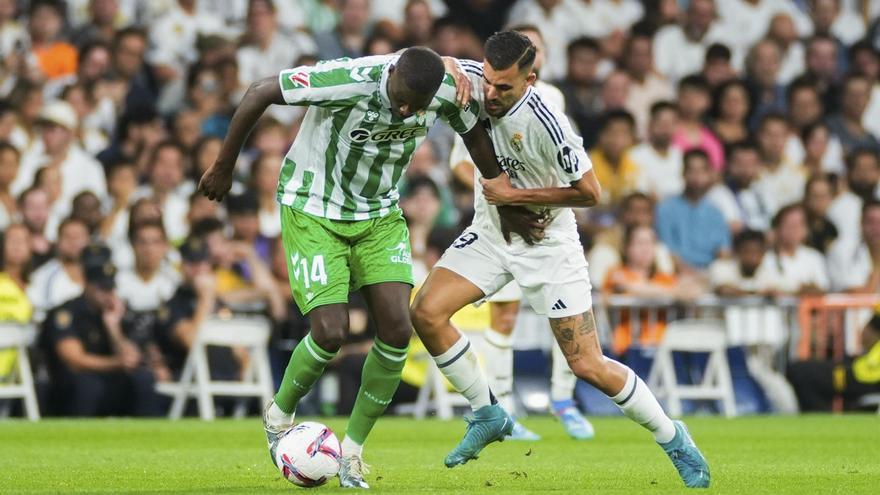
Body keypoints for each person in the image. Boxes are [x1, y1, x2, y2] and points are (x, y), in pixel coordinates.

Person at [197, 46, 542, 489]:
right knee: (330, 331)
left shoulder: (441, 92)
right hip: (313, 207)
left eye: (412, 108)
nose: (403, 110)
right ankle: (278, 414)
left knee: (398, 328)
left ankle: (353, 455)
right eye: (399, 98)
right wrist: (225, 165)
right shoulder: (347, 78)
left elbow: (474, 131)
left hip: (378, 215)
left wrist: (504, 195)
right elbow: (261, 91)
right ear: (392, 72)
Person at [410, 31, 710, 488]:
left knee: (587, 365)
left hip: (549, 245)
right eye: (488, 81)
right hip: (490, 236)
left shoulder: (549, 123)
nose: (491, 94)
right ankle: (488, 412)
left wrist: (517, 195)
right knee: (426, 312)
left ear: (530, 80)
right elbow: (434, 62)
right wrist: (447, 62)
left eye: (504, 87)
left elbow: (591, 193)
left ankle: (674, 439)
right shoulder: (473, 81)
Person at [447, 23, 593, 443]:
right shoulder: (479, 94)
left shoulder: (552, 104)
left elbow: (575, 176)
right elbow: (461, 161)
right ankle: (503, 406)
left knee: (570, 324)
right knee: (504, 317)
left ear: (535, 63)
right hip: (498, 226)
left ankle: (563, 400)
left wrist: (522, 196)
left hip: (546, 225)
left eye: (538, 47)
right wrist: (496, 187)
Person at [39, 244, 164, 416]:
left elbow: (131, 358)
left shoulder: (116, 312)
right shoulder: (67, 313)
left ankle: (148, 436)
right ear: (88, 285)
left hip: (109, 378)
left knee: (143, 379)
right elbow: (74, 360)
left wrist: (113, 327)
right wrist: (116, 363)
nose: (108, 295)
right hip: (71, 383)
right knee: (88, 385)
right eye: (102, 289)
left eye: (110, 289)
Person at [787, 304, 880, 411]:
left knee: (802, 373)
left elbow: (866, 336)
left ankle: (817, 415)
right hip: (864, 370)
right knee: (803, 371)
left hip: (865, 376)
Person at [655, 149, 731, 272]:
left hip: (711, 274)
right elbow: (667, 252)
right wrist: (691, 274)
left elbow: (723, 251)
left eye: (702, 171)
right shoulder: (666, 209)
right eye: (692, 171)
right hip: (677, 273)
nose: (697, 177)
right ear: (683, 173)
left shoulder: (716, 212)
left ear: (710, 174)